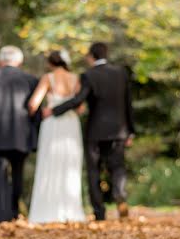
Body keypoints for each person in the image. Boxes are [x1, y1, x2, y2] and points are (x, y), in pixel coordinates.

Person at [45, 42, 135, 221]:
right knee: (117, 167)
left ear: (91, 56)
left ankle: (99, 212)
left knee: (94, 170)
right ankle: (120, 195)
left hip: (95, 130)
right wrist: (130, 130)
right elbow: (128, 103)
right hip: (118, 130)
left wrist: (55, 110)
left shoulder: (89, 75)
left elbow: (79, 99)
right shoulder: (121, 73)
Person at [0, 45, 40, 223]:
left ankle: (1, 217)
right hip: (22, 136)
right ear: (19, 61)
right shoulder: (30, 80)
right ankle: (13, 212)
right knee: (18, 174)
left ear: (1, 61)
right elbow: (35, 111)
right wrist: (33, 134)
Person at [27, 50, 87, 224]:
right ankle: (71, 210)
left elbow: (33, 104)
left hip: (52, 123)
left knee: (49, 161)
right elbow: (80, 108)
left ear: (51, 63)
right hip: (70, 124)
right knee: (70, 163)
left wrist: (40, 113)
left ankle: (46, 210)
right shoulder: (76, 79)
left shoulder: (48, 78)